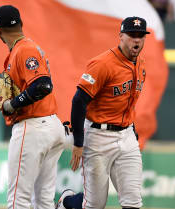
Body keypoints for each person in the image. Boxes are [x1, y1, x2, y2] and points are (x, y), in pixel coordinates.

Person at [56, 16, 149, 209]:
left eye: (141, 35)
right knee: (95, 204)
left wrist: (131, 130)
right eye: (132, 35)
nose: (137, 40)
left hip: (127, 135)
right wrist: (79, 143)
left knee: (133, 201)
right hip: (98, 136)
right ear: (121, 36)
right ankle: (66, 202)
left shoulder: (141, 64)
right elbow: (79, 101)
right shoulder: (102, 64)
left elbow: (128, 102)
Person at [0, 5, 66, 209]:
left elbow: (43, 85)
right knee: (43, 201)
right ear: (21, 24)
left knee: (18, 200)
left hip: (33, 128)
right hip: (50, 126)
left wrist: (12, 104)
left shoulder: (24, 49)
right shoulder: (25, 48)